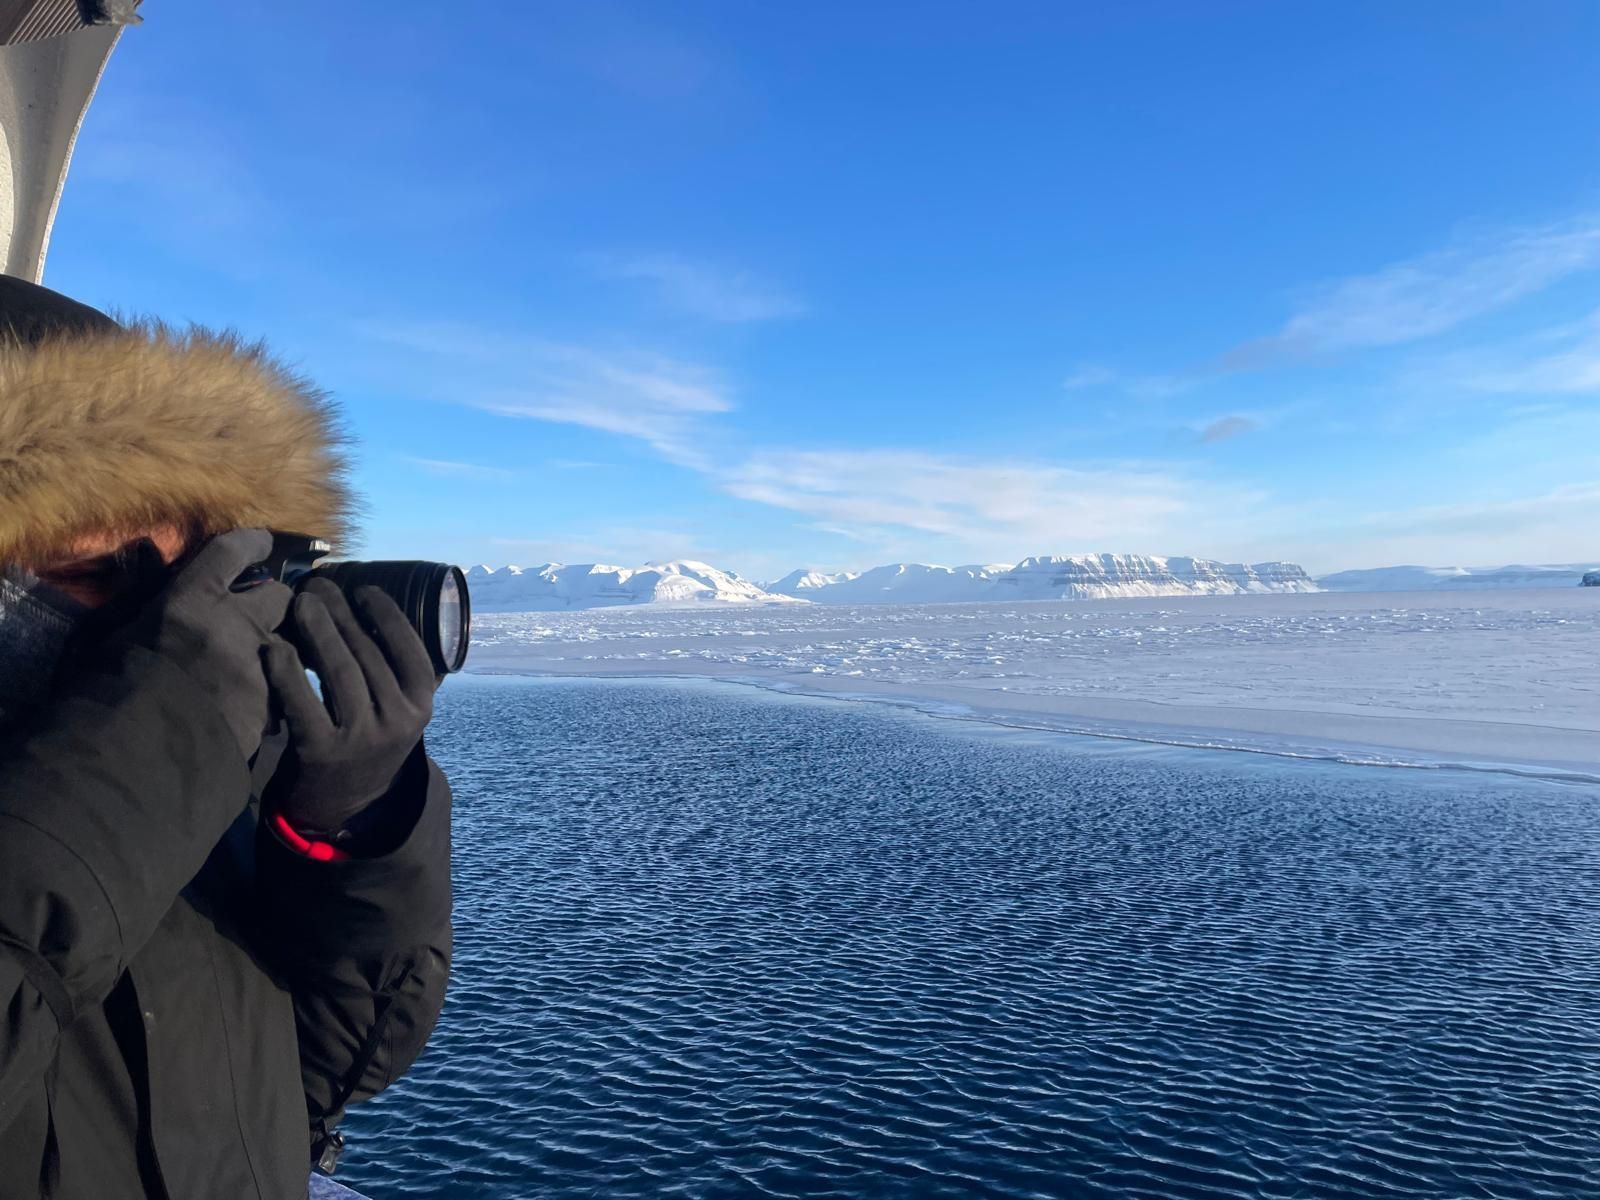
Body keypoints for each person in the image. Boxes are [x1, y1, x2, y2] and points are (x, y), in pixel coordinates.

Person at [0, 276, 452, 1198]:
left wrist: (344, 831)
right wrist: (146, 751)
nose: (167, 630)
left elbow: (330, 1071)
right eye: (102, 572)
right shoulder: (126, 768)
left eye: (193, 577)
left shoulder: (178, 790)